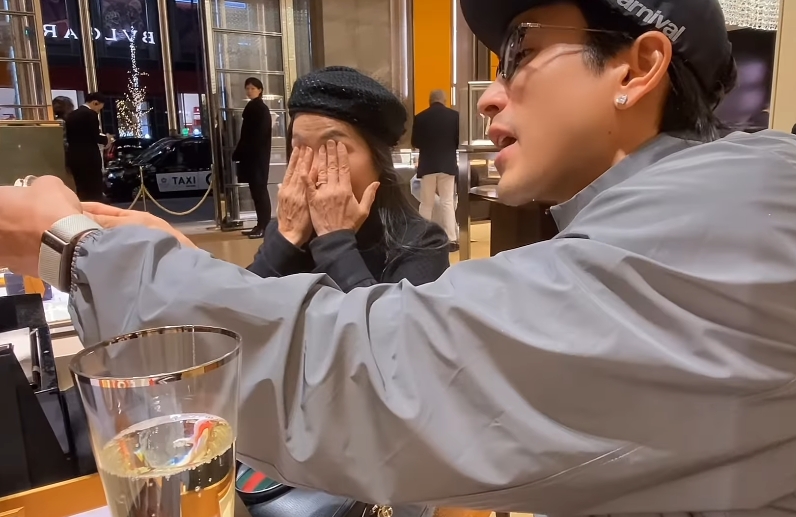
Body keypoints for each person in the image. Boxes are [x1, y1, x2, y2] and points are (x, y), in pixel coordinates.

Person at [8, 0, 796, 515]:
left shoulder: (736, 215)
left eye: (521, 51)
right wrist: (273, 245)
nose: (491, 93)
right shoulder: (653, 222)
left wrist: (74, 246)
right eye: (300, 147)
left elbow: (388, 367)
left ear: (638, 66)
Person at [247, 66, 450, 291]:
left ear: (378, 159)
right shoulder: (284, 229)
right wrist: (285, 239)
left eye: (334, 149)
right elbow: (239, 307)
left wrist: (335, 242)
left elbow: (386, 315)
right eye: (301, 148)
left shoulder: (421, 243)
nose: (314, 169)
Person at [411, 90, 460, 251]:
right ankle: (452, 239)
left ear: (430, 101)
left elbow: (415, 142)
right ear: (444, 100)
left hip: (428, 165)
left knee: (426, 203)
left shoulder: (420, 117)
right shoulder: (455, 116)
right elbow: (458, 141)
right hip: (447, 165)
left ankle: (422, 238)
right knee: (447, 202)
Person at [233, 78, 273, 239]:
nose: (249, 91)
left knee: (260, 191)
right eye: (247, 88)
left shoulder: (259, 109)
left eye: (253, 88)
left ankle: (265, 226)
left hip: (257, 157)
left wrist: (243, 151)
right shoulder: (254, 107)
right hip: (253, 157)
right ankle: (261, 225)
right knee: (256, 192)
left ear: (260, 90)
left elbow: (256, 136)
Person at [64, 92, 108, 202]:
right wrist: (107, 139)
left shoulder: (71, 115)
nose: (98, 111)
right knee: (94, 191)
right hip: (89, 158)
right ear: (95, 103)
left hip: (74, 157)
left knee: (81, 189)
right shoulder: (90, 115)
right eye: (99, 108)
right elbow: (95, 136)